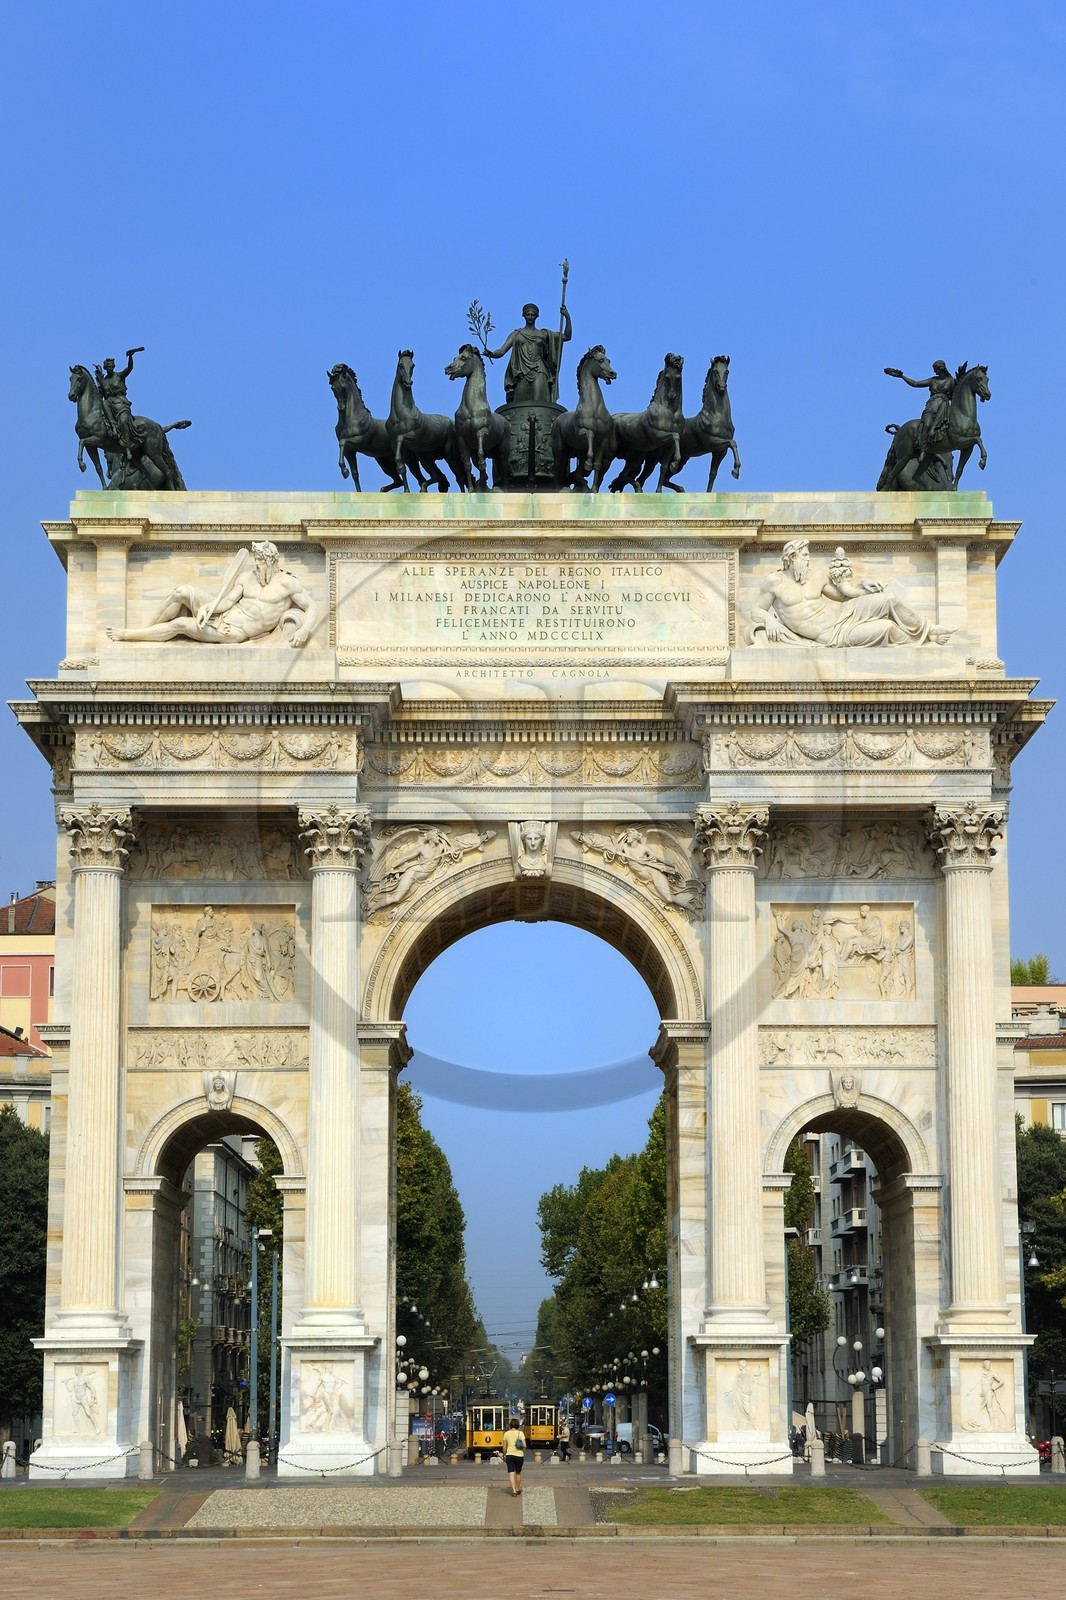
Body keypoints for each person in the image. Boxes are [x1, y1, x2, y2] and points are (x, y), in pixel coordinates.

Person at [106, 540, 320, 647]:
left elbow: (311, 606)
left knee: (180, 624)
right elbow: (227, 601)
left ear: (272, 560)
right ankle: (145, 629)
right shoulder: (247, 577)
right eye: (256, 559)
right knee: (181, 591)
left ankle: (128, 636)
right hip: (223, 615)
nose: (257, 563)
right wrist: (208, 607)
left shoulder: (288, 583)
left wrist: (305, 631)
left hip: (234, 632)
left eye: (261, 560)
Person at [750, 538, 955, 648]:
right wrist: (769, 620)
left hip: (846, 612)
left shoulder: (816, 576)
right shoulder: (774, 581)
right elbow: (756, 610)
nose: (808, 559)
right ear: (792, 557)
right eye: (804, 555)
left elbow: (843, 595)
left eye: (808, 555)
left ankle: (929, 630)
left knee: (889, 599)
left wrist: (864, 587)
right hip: (833, 635)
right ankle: (926, 645)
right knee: (886, 628)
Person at [484, 302, 572, 405]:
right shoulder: (516, 334)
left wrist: (567, 317)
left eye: (532, 314)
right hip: (521, 372)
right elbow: (502, 350)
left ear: (537, 316)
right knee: (520, 403)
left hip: (540, 370)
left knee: (540, 402)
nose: (530, 317)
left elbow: (567, 336)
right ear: (523, 315)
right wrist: (492, 354)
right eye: (528, 314)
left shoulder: (543, 334)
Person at [883, 360, 956, 462]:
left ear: (941, 368)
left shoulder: (951, 381)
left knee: (944, 407)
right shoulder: (932, 380)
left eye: (935, 369)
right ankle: (923, 450)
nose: (934, 371)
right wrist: (902, 376)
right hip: (931, 407)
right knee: (926, 425)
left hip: (943, 408)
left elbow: (955, 397)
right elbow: (916, 383)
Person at [95, 348, 145, 460]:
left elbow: (130, 368)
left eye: (112, 366)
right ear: (105, 368)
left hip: (121, 404)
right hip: (109, 405)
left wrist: (131, 357)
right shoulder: (104, 380)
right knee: (104, 405)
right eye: (108, 366)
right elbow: (101, 396)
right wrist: (100, 381)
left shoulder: (119, 376)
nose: (110, 368)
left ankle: (127, 447)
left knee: (123, 421)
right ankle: (112, 429)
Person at [502, 1415, 526, 1496]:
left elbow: (504, 1447)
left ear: (510, 1425)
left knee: (511, 1473)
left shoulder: (506, 1434)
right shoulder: (521, 1433)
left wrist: (504, 1454)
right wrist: (522, 1451)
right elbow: (525, 1445)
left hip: (509, 1455)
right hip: (519, 1455)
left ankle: (514, 1491)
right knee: (518, 1473)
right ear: (517, 1426)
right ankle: (518, 1488)